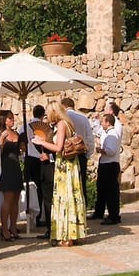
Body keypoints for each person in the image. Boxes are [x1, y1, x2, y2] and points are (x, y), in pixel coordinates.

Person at [32, 101, 86, 247]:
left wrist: (41, 142)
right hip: (68, 164)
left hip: (65, 166)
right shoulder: (67, 123)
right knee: (70, 197)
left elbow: (58, 147)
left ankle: (67, 235)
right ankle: (71, 233)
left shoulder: (61, 125)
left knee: (65, 197)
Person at [0, 110, 24, 241]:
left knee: (16, 199)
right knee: (8, 198)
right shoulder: (0, 133)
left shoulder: (15, 133)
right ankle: (4, 228)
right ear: (3, 120)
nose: (12, 120)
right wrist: (1, 140)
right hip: (5, 166)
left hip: (16, 166)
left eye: (13, 118)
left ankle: (13, 226)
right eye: (10, 118)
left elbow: (19, 152)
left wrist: (22, 147)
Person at [88, 113, 122, 224]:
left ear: (108, 122)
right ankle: (99, 211)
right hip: (106, 164)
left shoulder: (112, 134)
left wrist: (101, 150)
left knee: (111, 191)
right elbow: (97, 131)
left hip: (110, 165)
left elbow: (111, 151)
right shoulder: (107, 133)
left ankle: (113, 216)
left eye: (103, 121)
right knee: (101, 189)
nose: (102, 123)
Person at [61, 97, 95, 203]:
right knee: (81, 184)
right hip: (81, 153)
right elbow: (90, 138)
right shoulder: (83, 118)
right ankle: (82, 209)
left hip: (66, 155)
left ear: (63, 106)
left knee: (68, 184)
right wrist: (87, 155)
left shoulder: (63, 119)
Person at [22, 104, 47, 228]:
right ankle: (38, 216)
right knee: (39, 188)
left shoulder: (25, 126)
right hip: (39, 159)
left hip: (28, 159)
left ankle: (29, 215)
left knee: (28, 187)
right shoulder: (43, 127)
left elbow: (22, 140)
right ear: (43, 115)